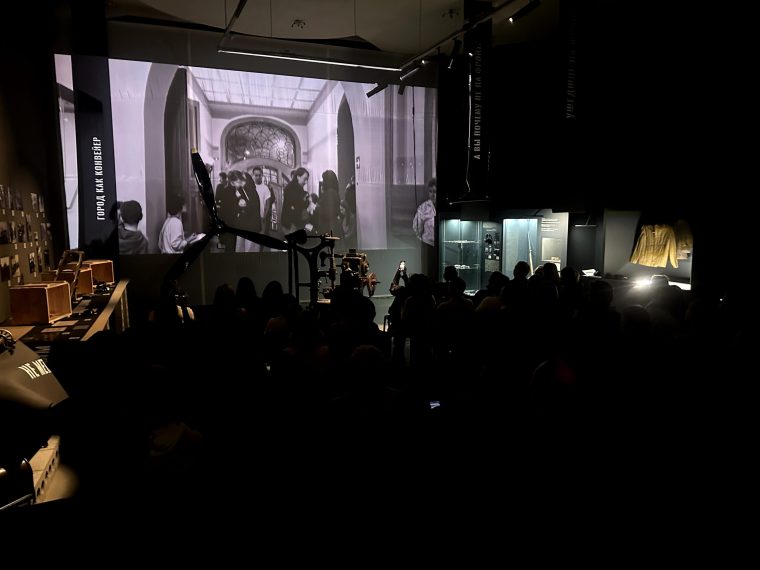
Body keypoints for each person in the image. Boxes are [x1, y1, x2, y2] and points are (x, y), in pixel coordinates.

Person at [281, 167, 309, 234]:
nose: (306, 182)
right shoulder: (291, 188)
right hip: (291, 223)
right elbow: (294, 207)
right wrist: (305, 201)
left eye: (307, 179)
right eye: (304, 179)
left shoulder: (298, 188)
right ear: (298, 177)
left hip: (294, 222)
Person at [214, 171, 237, 252]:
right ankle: (222, 241)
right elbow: (217, 198)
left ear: (225, 179)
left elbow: (234, 200)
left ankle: (229, 244)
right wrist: (219, 204)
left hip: (230, 212)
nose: (220, 181)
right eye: (219, 179)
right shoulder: (219, 187)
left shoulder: (232, 188)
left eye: (221, 179)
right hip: (222, 211)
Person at [412, 177, 436, 247]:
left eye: (435, 191)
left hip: (442, 245)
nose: (433, 194)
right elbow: (416, 228)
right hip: (427, 244)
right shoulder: (423, 208)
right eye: (430, 191)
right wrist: (422, 242)